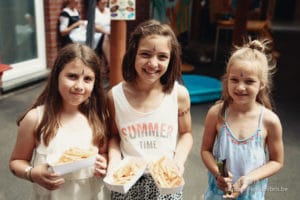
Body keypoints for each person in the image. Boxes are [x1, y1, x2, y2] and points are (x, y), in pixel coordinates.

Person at [9, 43, 110, 200]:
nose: (79, 86)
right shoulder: (35, 119)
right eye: (72, 76)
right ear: (56, 76)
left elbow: (103, 152)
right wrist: (31, 173)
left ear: (95, 84)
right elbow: (16, 161)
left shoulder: (98, 118)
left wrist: (104, 162)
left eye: (88, 79)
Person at [107, 19, 193, 199]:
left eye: (162, 57)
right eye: (145, 54)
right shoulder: (115, 96)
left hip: (166, 184)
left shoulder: (179, 95)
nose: (153, 64)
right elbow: (114, 136)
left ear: (171, 59)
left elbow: (186, 133)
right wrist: (114, 161)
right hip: (126, 184)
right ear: (133, 55)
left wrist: (178, 161)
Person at [201, 39, 284, 199]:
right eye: (234, 80)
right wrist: (219, 172)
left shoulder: (270, 121)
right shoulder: (217, 113)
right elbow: (206, 150)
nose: (240, 87)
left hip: (251, 195)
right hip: (218, 193)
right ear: (227, 80)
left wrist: (249, 178)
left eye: (249, 81)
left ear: (262, 84)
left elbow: (277, 161)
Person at [94, 0, 110, 67]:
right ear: (98, 2)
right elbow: (94, 26)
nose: (105, 2)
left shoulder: (109, 10)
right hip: (98, 33)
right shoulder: (94, 11)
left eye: (106, 1)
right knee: (106, 37)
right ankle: (110, 62)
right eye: (102, 0)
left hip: (109, 32)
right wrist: (106, 32)